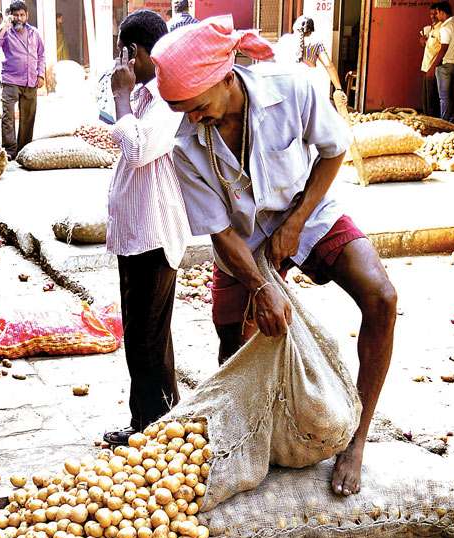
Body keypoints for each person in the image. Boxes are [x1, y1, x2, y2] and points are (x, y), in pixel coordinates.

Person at [153, 16, 398, 497]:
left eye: (198, 107)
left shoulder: (295, 86)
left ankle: (357, 439)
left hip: (309, 208)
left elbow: (333, 151)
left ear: (226, 77)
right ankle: (247, 443)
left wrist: (297, 220)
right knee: (235, 345)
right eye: (182, 111)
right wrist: (263, 286)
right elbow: (219, 231)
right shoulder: (184, 143)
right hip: (244, 239)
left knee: (382, 298)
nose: (193, 119)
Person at [99, 9, 192, 447]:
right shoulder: (143, 96)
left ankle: (148, 430)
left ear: (132, 52)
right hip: (137, 233)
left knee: (144, 338)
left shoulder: (165, 100)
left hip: (153, 234)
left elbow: (136, 150)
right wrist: (121, 96)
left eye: (124, 54)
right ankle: (162, 418)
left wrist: (121, 98)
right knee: (149, 333)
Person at [0, 1, 46, 158]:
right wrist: (3, 27)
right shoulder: (6, 32)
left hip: (30, 80)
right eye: (16, 15)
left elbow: (41, 55)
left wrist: (40, 74)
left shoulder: (34, 33)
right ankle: (9, 150)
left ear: (27, 15)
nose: (19, 18)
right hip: (10, 80)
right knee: (8, 116)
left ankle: (23, 150)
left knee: (28, 117)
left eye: (22, 15)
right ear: (11, 16)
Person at [278, 15, 342, 100]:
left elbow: (278, 62)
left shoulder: (285, 40)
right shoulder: (317, 43)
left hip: (287, 85)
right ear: (311, 31)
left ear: (295, 27)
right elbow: (328, 65)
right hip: (309, 86)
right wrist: (338, 88)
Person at [428, 2, 454, 122]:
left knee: (444, 97)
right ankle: (452, 118)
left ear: (442, 12)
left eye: (437, 13)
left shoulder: (446, 27)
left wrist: (433, 67)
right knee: (452, 95)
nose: (436, 16)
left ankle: (444, 121)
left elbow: (444, 48)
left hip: (446, 65)